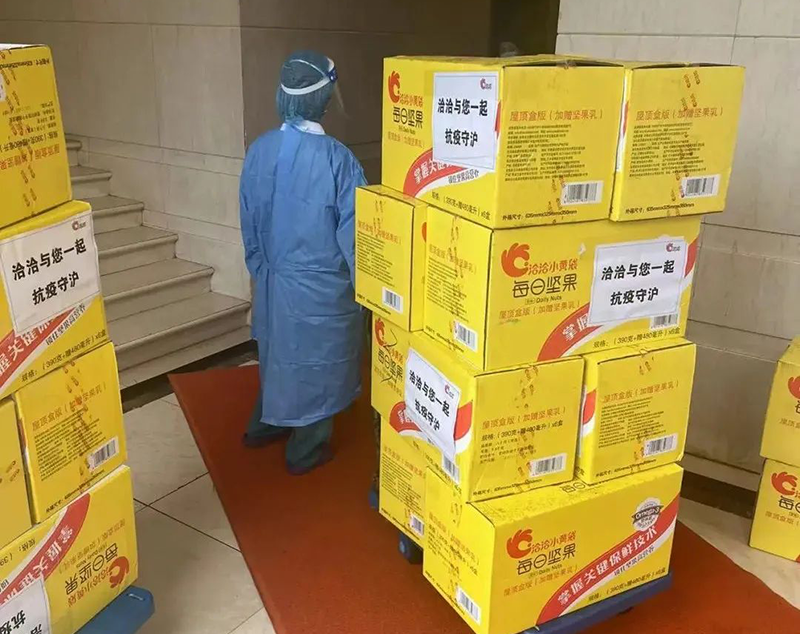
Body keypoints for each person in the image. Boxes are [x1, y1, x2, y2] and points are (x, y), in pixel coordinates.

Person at [239, 50, 367, 475]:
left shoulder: (259, 151)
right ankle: (306, 449)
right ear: (325, 99)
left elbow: (249, 224)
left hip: (274, 282)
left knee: (278, 353)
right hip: (321, 291)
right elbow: (356, 238)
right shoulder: (337, 160)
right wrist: (368, 292)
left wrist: (262, 272)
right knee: (316, 365)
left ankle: (265, 424)